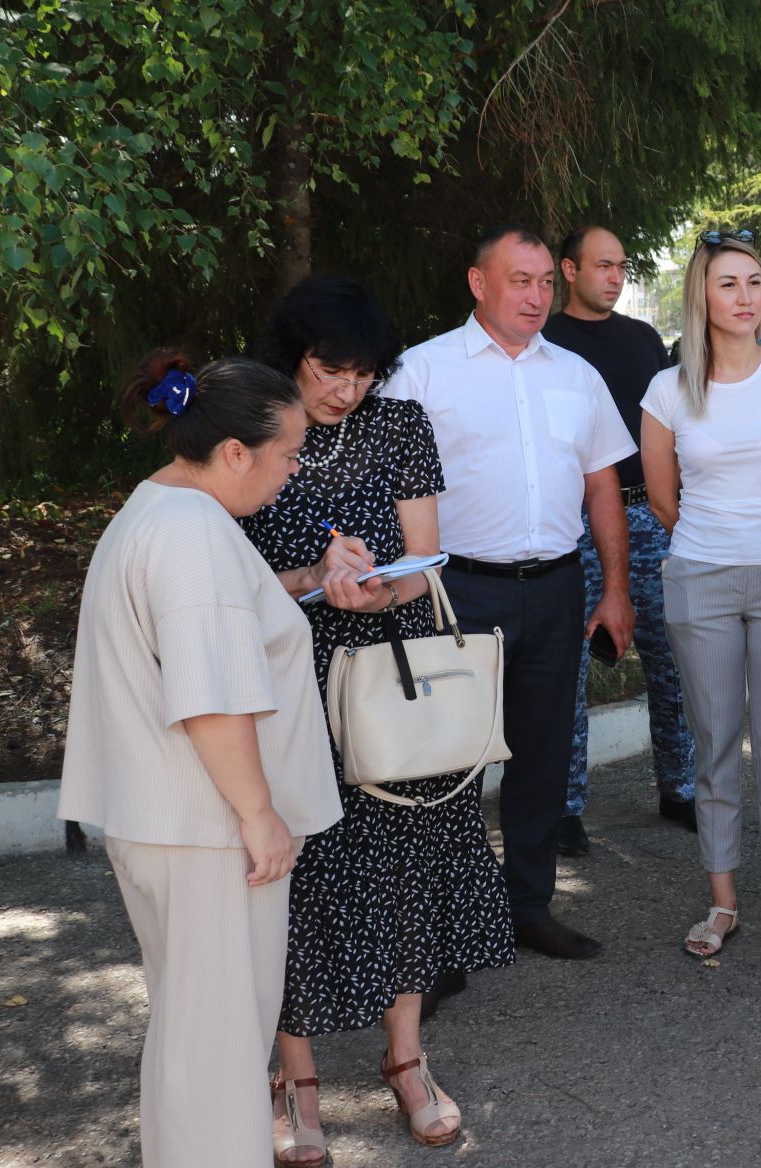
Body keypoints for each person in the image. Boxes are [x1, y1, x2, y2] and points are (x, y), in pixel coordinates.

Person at [239, 277, 515, 1161]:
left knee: (405, 865)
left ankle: (407, 1060)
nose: (345, 390)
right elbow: (227, 579)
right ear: (293, 356)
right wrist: (310, 583)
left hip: (393, 674)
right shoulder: (250, 428)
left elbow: (425, 557)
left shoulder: (400, 426)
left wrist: (378, 588)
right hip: (286, 678)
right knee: (295, 873)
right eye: (329, 369)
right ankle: (296, 1080)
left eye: (362, 374)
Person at [59, 352, 343, 1168]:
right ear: (233, 453)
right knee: (219, 1054)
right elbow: (213, 697)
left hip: (169, 825)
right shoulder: (196, 535)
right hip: (207, 831)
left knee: (193, 1045)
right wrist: (261, 817)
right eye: (288, 455)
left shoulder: (156, 510)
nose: (292, 474)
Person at [382, 224, 637, 961]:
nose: (536, 296)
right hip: (456, 590)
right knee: (448, 764)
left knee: (543, 755)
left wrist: (613, 587)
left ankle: (528, 906)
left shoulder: (575, 374)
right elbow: (384, 485)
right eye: (519, 281)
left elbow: (602, 487)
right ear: (478, 283)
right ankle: (445, 933)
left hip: (556, 589)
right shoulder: (422, 372)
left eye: (544, 283)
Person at [639, 229, 761, 959]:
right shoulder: (667, 390)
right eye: (729, 284)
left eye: (754, 283)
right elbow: (663, 499)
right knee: (717, 745)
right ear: (702, 294)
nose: (746, 297)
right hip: (699, 578)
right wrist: (719, 541)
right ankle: (722, 903)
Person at [547, 224, 697, 849]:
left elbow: (671, 428)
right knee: (568, 667)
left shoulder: (643, 341)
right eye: (602, 265)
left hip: (648, 517)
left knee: (673, 657)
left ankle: (681, 789)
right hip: (573, 523)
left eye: (621, 266)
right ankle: (565, 806)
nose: (614, 276)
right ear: (569, 270)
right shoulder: (545, 341)